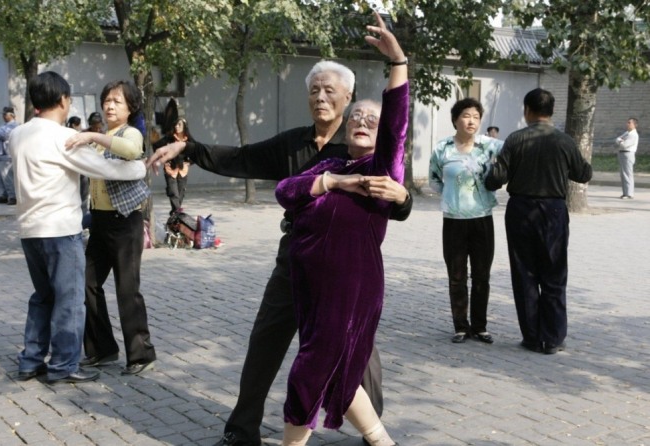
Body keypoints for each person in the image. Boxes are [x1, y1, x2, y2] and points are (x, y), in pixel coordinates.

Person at [147, 48, 412, 446]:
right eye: (315, 91)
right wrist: (188, 149)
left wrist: (404, 197)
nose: (321, 98)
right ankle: (242, 430)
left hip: (344, 270)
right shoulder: (294, 143)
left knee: (358, 347)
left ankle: (367, 428)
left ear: (347, 99)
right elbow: (241, 159)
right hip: (296, 258)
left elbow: (394, 194)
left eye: (330, 91)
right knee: (266, 339)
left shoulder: (362, 143)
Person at [274, 11, 407, 446]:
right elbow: (285, 190)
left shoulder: (379, 169)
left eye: (371, 119)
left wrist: (398, 63)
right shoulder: (333, 164)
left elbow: (395, 126)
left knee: (311, 368)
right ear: (345, 126)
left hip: (350, 287)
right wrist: (332, 181)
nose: (363, 122)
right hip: (309, 289)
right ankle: (382, 441)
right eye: (357, 119)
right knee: (339, 370)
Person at [9, 71, 147, 384]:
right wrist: (139, 167)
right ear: (63, 100)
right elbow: (104, 167)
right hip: (59, 230)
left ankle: (31, 361)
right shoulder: (61, 137)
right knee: (70, 300)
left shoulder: (17, 134)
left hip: (29, 231)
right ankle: (63, 365)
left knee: (42, 297)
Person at [484, 88, 592, 355]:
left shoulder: (515, 139)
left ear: (527, 110)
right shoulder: (565, 141)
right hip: (554, 211)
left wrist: (491, 167)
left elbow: (496, 179)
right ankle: (553, 338)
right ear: (551, 111)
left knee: (525, 274)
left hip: (521, 210)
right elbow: (583, 174)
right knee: (554, 273)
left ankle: (532, 336)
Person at [65, 80, 156, 375]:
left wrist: (92, 136)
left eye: (117, 101)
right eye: (107, 100)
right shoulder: (99, 138)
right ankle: (102, 349)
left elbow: (130, 151)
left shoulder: (130, 133)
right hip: (100, 221)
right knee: (87, 283)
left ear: (130, 107)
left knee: (127, 289)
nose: (110, 105)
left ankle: (141, 355)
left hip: (125, 219)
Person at [429, 99, 503, 344]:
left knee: (482, 276)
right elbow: (434, 179)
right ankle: (461, 326)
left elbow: (515, 151)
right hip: (453, 221)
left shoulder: (489, 146)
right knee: (457, 276)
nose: (471, 121)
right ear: (455, 120)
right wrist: (453, 197)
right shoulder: (443, 149)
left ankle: (480, 327)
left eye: (476, 117)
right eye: (466, 116)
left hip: (482, 219)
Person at [153, 117, 194, 214]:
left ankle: (175, 213)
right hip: (170, 169)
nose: (177, 126)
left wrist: (190, 162)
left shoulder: (188, 139)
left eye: (179, 124)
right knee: (173, 193)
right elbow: (156, 146)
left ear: (184, 127)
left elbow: (196, 151)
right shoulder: (169, 138)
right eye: (176, 124)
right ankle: (178, 213)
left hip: (183, 170)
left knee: (180, 194)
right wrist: (164, 157)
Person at [0, 106, 19, 205]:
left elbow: (4, 135)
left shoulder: (14, 125)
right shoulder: (3, 125)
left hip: (6, 156)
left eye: (5, 114)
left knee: (7, 178)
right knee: (0, 179)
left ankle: (12, 197)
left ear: (11, 115)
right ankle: (4, 195)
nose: (3, 116)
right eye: (3, 114)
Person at [615, 117, 638, 199]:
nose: (627, 124)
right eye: (627, 122)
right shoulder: (627, 133)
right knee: (623, 174)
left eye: (629, 123)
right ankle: (625, 192)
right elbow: (617, 139)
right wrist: (620, 140)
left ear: (634, 125)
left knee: (628, 174)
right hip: (622, 154)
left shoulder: (633, 134)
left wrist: (621, 141)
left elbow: (625, 145)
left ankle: (629, 193)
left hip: (628, 154)